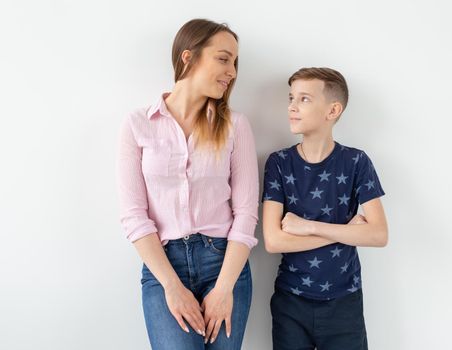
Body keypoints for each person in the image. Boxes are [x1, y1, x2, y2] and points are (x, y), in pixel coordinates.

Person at [117, 18, 259, 350]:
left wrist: (224, 289)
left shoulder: (236, 126)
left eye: (235, 62)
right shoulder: (138, 124)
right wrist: (172, 287)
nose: (233, 72)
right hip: (163, 267)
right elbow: (134, 216)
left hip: (224, 265)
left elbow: (246, 213)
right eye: (223, 59)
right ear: (187, 57)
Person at [262, 67, 388, 350]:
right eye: (291, 98)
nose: (292, 107)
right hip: (291, 302)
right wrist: (346, 231)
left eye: (304, 99)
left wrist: (308, 226)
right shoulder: (279, 163)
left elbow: (378, 235)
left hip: (345, 303)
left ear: (333, 110)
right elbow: (274, 241)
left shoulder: (356, 162)